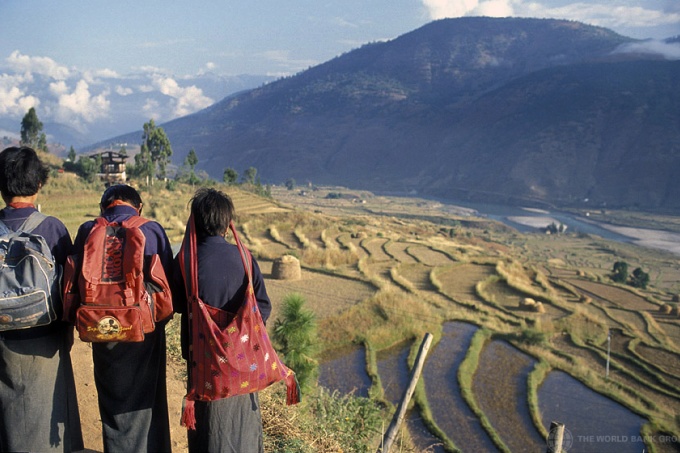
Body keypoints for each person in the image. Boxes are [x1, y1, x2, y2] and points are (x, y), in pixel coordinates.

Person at [72, 184, 173, 453]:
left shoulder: (86, 230)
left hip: (99, 326)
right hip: (144, 328)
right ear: (138, 206)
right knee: (148, 395)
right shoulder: (151, 230)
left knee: (111, 394)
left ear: (104, 207)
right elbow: (168, 284)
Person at [173, 187, 273, 453]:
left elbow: (177, 304)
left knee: (209, 427)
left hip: (203, 364)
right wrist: (237, 337)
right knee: (242, 425)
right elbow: (263, 306)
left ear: (194, 221)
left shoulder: (185, 261)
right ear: (227, 224)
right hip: (243, 364)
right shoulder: (245, 258)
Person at [0, 146, 84, 452]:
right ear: (39, 185)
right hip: (44, 339)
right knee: (47, 412)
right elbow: (71, 288)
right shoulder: (52, 228)